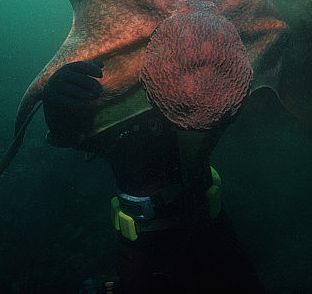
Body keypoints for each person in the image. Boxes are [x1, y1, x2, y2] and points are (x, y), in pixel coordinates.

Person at [42, 60, 265, 293]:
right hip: (142, 243)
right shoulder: (108, 71)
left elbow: (246, 118)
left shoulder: (184, 60)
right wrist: (58, 114)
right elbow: (78, 138)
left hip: (208, 225)